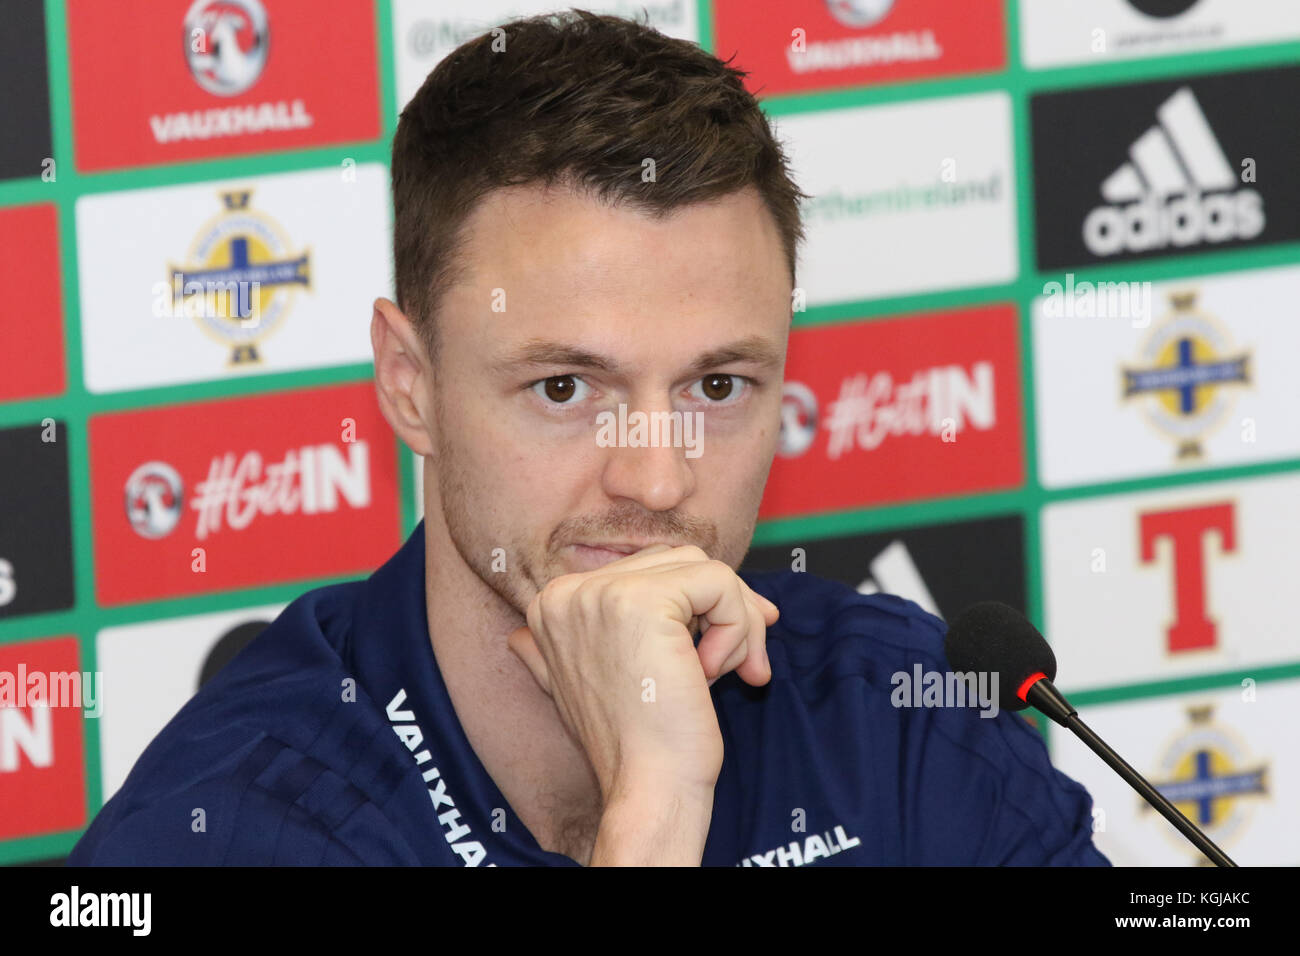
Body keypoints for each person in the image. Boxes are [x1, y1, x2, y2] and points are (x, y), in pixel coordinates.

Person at [70, 9, 1108, 866]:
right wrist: (653, 809)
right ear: (411, 384)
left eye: (717, 382)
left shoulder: (905, 727)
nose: (656, 478)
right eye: (564, 385)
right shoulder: (230, 827)